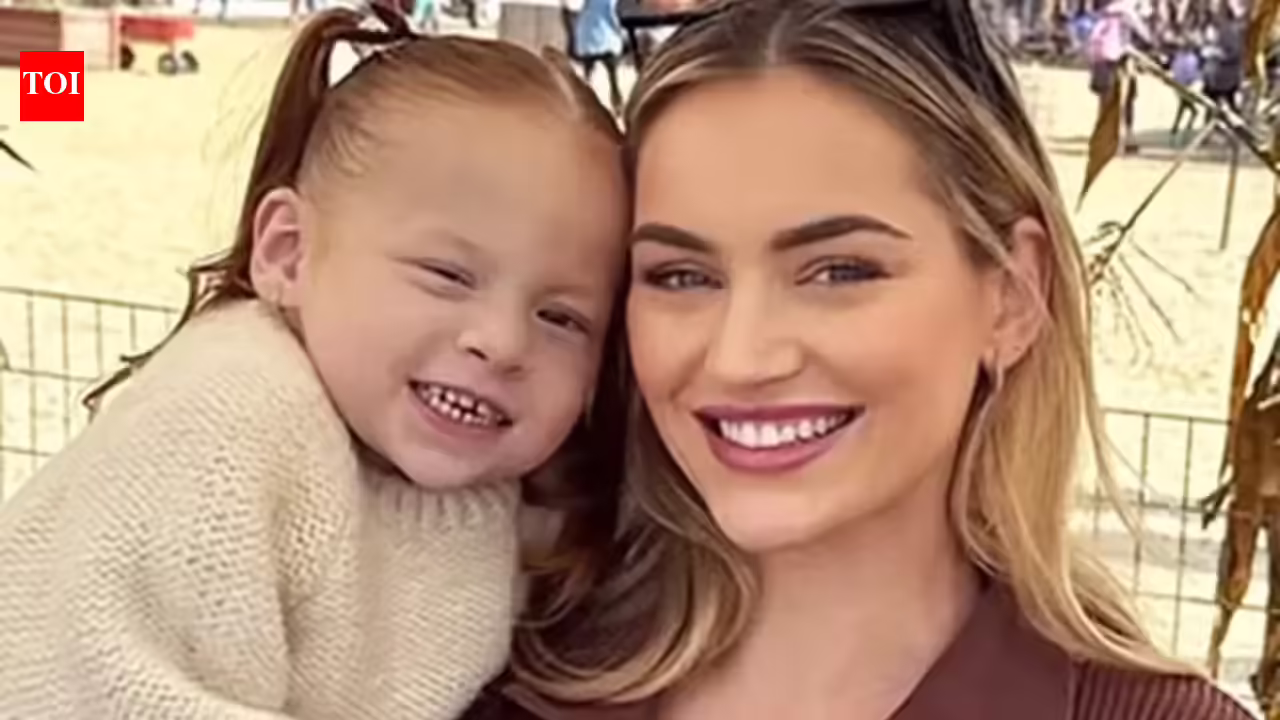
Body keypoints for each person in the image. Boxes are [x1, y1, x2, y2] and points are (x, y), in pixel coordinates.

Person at [464, 0, 1254, 718]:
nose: (740, 358)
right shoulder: (503, 687)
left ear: (1013, 294)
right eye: (682, 276)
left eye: (839, 271)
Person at [0, 4, 628, 718]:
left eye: (562, 318)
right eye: (448, 275)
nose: (504, 341)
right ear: (288, 253)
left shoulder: (525, 494)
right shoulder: (225, 417)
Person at [1087, 0, 1150, 153]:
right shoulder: (1127, 12)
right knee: (1125, 101)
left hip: (1100, 60)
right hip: (1116, 60)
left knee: (1106, 103)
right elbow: (1145, 36)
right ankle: (1125, 138)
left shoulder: (1104, 15)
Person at [572, 0, 626, 114]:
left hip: (589, 40)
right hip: (607, 40)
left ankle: (583, 103)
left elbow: (584, 14)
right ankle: (618, 105)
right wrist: (619, 32)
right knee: (613, 78)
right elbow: (612, 15)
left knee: (587, 76)